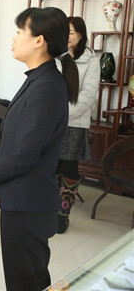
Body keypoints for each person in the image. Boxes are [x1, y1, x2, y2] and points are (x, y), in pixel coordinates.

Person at [0, 7, 79, 291]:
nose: (14, 37)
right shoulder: (37, 79)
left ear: (39, 40)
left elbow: (23, 153)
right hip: (20, 197)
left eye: (20, 31)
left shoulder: (47, 86)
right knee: (22, 278)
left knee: (26, 282)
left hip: (28, 203)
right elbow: (12, 140)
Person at [56, 16, 100, 234]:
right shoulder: (56, 55)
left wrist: (64, 114)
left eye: (71, 32)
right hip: (51, 120)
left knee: (69, 167)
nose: (67, 36)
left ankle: (62, 214)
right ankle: (49, 208)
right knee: (51, 165)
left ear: (80, 34)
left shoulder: (91, 60)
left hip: (74, 121)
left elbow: (89, 94)